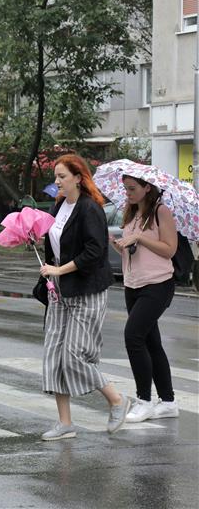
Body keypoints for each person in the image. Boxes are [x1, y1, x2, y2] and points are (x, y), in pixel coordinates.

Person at [38, 154, 130, 441]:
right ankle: (65, 423)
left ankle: (116, 399)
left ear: (78, 178)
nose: (57, 182)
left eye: (62, 176)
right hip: (60, 292)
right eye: (56, 176)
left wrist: (58, 270)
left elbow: (93, 252)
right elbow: (55, 244)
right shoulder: (59, 207)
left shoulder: (90, 209)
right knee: (54, 356)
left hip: (87, 291)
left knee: (74, 356)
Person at [110, 175, 179, 423]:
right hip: (133, 283)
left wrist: (139, 238)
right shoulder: (131, 213)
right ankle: (169, 402)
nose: (127, 193)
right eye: (125, 188)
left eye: (132, 188)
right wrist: (120, 246)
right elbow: (134, 252)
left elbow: (169, 249)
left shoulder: (161, 211)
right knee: (152, 342)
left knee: (133, 336)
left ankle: (144, 400)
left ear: (146, 187)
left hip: (158, 284)